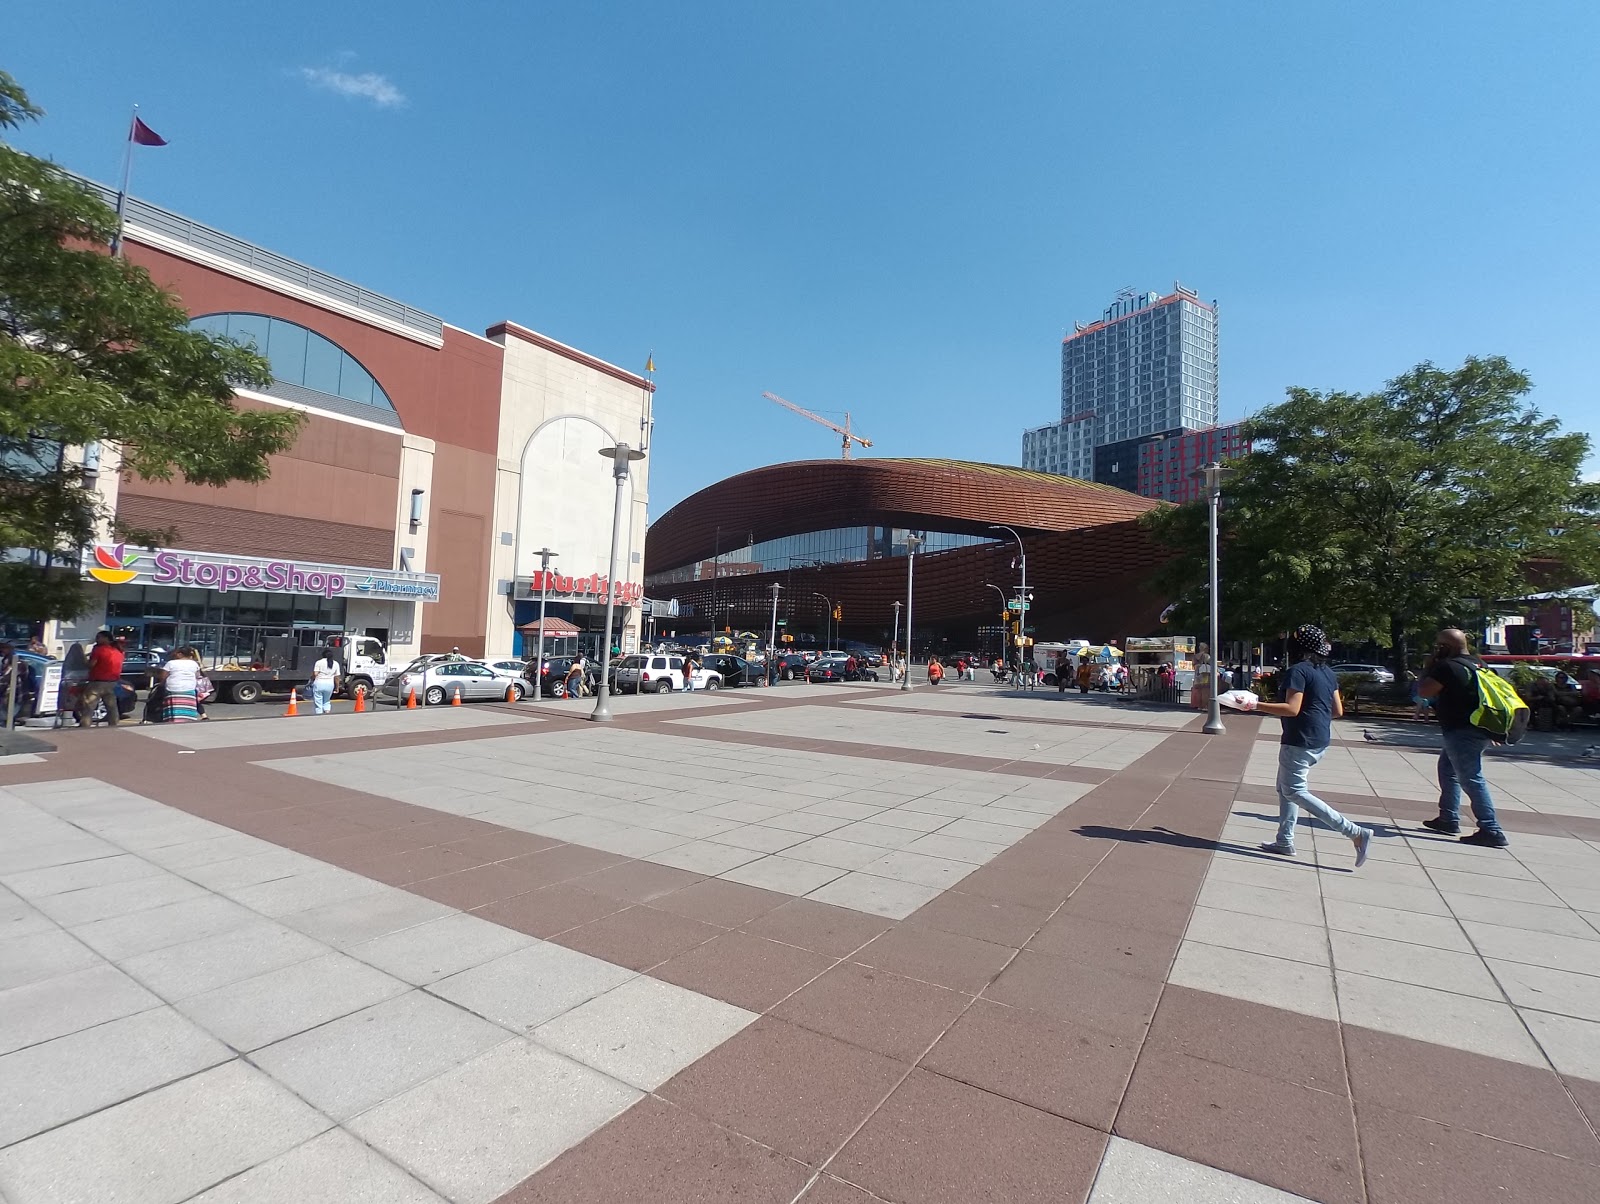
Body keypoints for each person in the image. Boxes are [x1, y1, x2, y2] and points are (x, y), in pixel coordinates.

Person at [1233, 623, 1373, 866]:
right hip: (1319, 739)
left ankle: (1355, 833)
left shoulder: (1297, 671)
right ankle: (1284, 841)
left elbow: (1291, 708)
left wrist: (1255, 705)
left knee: (1295, 791)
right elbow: (1337, 710)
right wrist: (1315, 719)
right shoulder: (1328, 672)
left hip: (1299, 740)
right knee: (1285, 789)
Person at [1416, 628, 1510, 848]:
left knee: (1471, 778)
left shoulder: (1447, 666)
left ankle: (1491, 829)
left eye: (1438, 645)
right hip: (1478, 728)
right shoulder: (1479, 664)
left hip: (1461, 731)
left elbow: (1424, 691)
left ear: (1445, 647)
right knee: (1448, 770)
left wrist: (1429, 666)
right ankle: (1448, 818)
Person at [77, 631, 125, 728]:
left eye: (99, 637)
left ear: (106, 638)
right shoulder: (119, 651)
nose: (96, 639)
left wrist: (84, 660)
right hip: (112, 682)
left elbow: (91, 665)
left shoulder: (99, 650)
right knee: (112, 707)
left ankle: (84, 726)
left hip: (98, 682)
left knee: (89, 706)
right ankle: (114, 725)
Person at [158, 647, 202, 723]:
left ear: (180, 654)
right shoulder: (194, 663)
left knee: (173, 706)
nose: (174, 654)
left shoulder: (171, 663)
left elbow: (163, 676)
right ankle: (188, 719)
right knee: (187, 705)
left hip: (173, 688)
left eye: (176, 653)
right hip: (189, 688)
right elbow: (197, 675)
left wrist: (161, 683)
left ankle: (172, 719)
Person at [309, 645, 341, 715]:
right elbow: (337, 677)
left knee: (318, 700)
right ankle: (327, 712)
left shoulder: (319, 662)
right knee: (327, 700)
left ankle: (319, 713)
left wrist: (311, 679)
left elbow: (315, 674)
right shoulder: (335, 663)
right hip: (330, 684)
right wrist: (337, 687)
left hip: (319, 683)